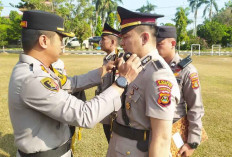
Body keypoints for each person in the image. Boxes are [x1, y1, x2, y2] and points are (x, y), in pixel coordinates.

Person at [8, 10, 142, 157]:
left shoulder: (40, 70)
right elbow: (84, 115)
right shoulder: (33, 78)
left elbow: (71, 83)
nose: (62, 45)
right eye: (60, 40)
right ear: (44, 41)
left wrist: (102, 70)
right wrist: (122, 81)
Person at [106, 7, 180, 157]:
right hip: (118, 146)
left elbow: (161, 140)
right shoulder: (136, 66)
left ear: (144, 38)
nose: (121, 43)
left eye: (126, 37)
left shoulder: (158, 76)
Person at [156, 26, 204, 157]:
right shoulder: (153, 68)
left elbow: (196, 107)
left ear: (173, 44)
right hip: (154, 130)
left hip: (175, 128)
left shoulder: (187, 71)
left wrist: (192, 142)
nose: (156, 47)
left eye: (159, 44)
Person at [95, 23, 121, 143]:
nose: (100, 41)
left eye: (103, 39)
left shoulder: (119, 59)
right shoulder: (107, 59)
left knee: (115, 143)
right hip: (106, 109)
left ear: (112, 42)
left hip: (114, 112)